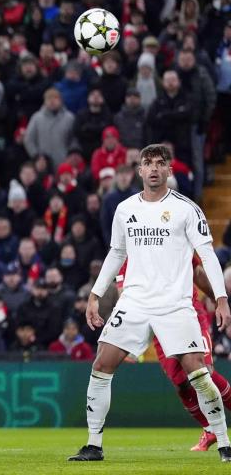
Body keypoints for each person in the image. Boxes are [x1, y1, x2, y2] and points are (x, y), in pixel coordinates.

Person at [69, 144, 231, 462]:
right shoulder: (126, 209)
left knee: (197, 372)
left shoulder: (187, 209)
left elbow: (207, 255)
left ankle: (225, 443)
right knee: (101, 364)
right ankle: (93, 445)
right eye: (148, 163)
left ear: (169, 170)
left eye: (160, 163)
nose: (154, 168)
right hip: (134, 303)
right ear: (140, 170)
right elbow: (116, 254)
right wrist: (95, 295)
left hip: (175, 304)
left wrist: (221, 299)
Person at [116, 255, 231, 451]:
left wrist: (216, 298)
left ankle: (219, 435)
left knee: (204, 372)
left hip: (189, 314)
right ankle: (209, 429)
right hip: (159, 325)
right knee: (181, 384)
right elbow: (123, 292)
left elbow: (197, 271)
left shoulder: (173, 234)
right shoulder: (128, 255)